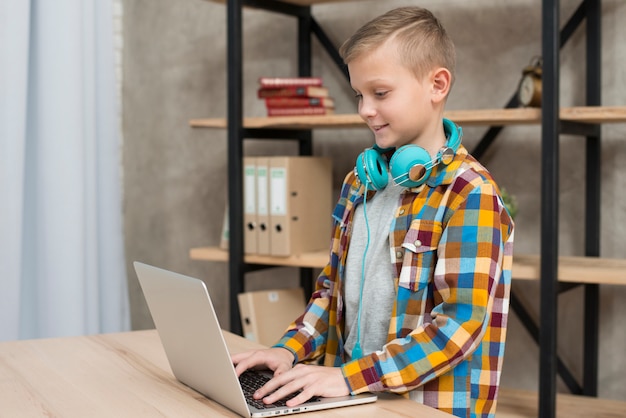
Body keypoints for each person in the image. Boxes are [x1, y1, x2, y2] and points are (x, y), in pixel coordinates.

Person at [232, 6, 515, 417]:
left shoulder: (469, 193)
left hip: (423, 407)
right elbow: (330, 296)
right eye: (359, 95)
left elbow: (456, 327)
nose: (365, 109)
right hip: (353, 396)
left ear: (437, 85)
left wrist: (349, 378)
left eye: (380, 93)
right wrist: (286, 351)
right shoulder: (361, 183)